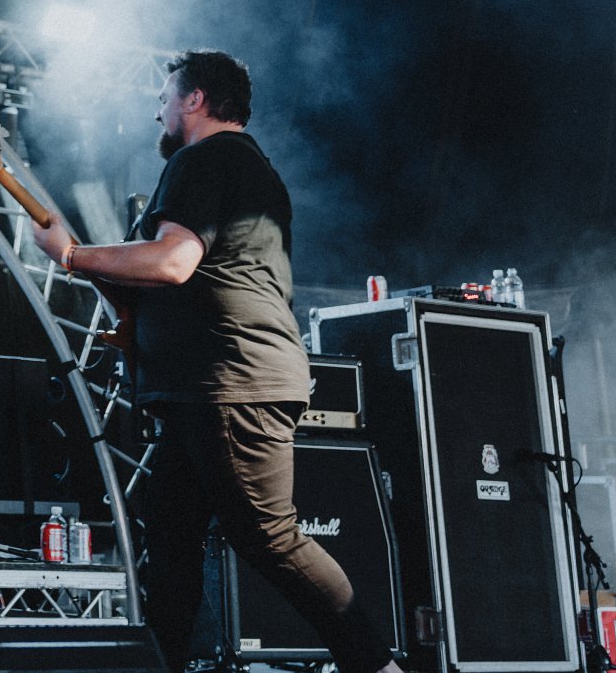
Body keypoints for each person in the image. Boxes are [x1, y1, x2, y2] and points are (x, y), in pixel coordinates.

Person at [30, 50, 401, 673]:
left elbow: (174, 262)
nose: (158, 112)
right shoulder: (249, 167)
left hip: (229, 381)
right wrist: (137, 321)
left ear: (194, 99)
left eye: (164, 98)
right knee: (170, 538)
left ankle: (377, 666)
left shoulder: (201, 159)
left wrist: (71, 255)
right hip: (210, 385)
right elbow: (197, 279)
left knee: (270, 537)